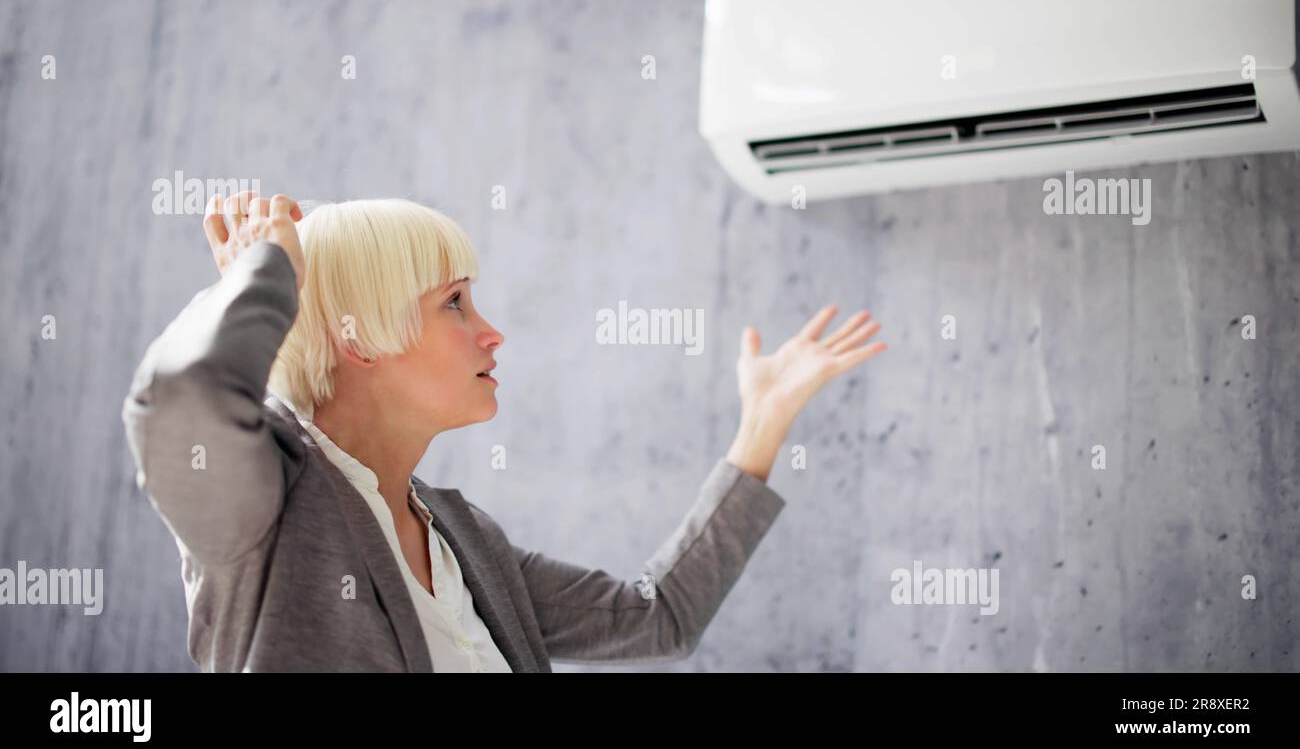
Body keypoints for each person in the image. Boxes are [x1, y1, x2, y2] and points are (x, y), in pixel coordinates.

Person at [121, 192, 887, 672]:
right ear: (358, 338)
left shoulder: (464, 538)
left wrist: (762, 422)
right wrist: (265, 276)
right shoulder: (268, 501)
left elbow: (659, 618)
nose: (492, 333)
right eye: (454, 302)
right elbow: (181, 398)